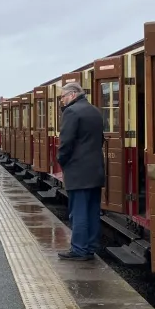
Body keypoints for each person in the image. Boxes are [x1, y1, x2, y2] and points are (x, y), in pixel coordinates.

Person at [57, 82, 105, 260]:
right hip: (95, 169)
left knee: (78, 211)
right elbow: (100, 140)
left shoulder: (71, 111)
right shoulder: (95, 111)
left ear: (72, 94)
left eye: (63, 97)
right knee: (92, 210)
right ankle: (91, 247)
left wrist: (61, 160)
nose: (62, 101)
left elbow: (66, 142)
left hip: (78, 171)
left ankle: (79, 249)